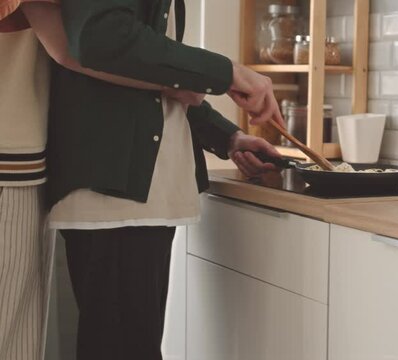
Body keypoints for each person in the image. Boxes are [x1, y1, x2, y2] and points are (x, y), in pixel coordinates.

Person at [44, 0, 284, 359]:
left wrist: (226, 137)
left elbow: (157, 81)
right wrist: (226, 71)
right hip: (118, 193)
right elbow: (100, 38)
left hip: (139, 193)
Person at [0, 0, 234, 359]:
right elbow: (87, 46)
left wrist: (222, 132)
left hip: (33, 160)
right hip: (23, 161)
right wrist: (221, 73)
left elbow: (106, 53)